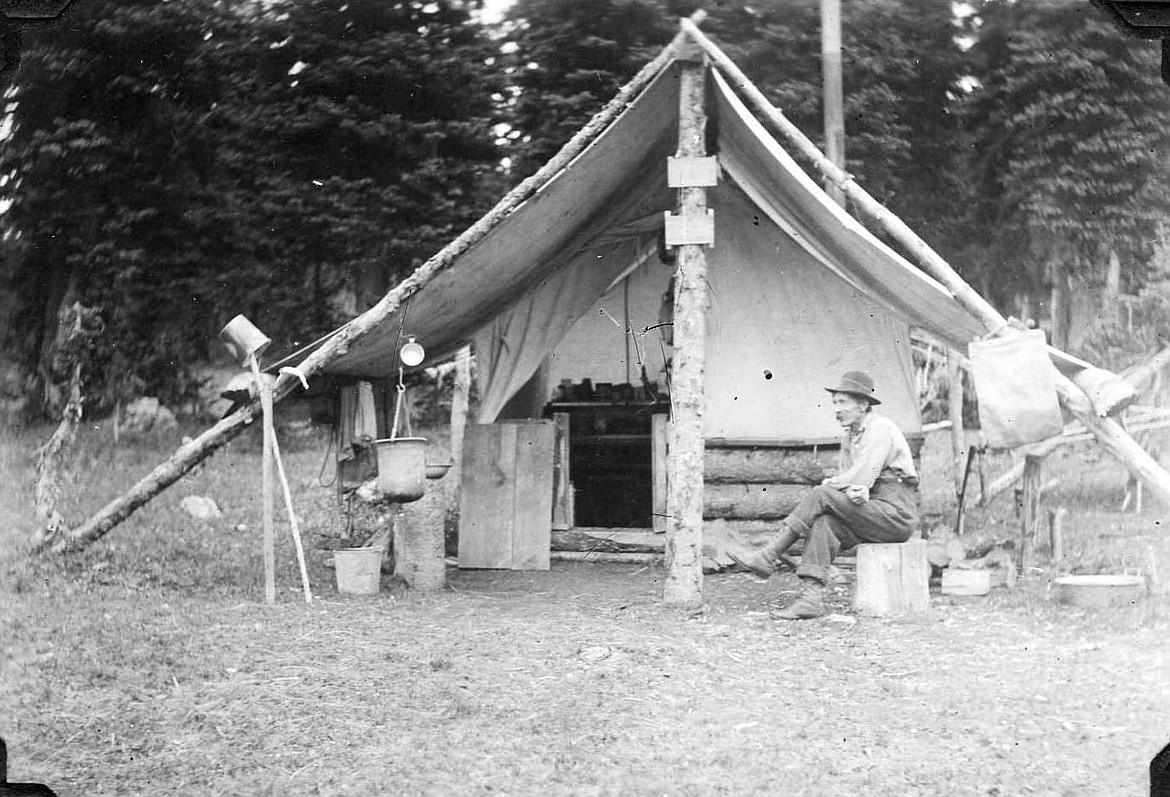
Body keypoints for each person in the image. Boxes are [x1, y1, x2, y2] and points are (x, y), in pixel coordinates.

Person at [729, 370, 919, 620]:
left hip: (895, 515)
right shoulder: (851, 437)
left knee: (821, 494)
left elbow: (859, 478)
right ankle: (811, 599)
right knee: (824, 523)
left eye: (843, 403)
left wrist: (838, 485)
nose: (837, 410)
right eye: (834, 403)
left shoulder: (881, 429)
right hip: (872, 510)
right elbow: (852, 485)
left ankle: (768, 554)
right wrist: (850, 488)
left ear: (862, 404)